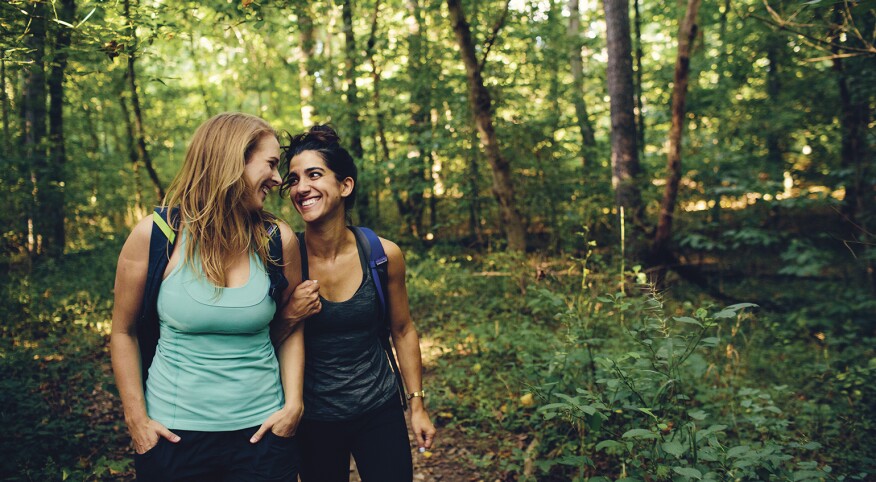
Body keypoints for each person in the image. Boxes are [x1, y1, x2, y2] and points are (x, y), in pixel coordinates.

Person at [110, 112, 316, 481]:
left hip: (263, 434)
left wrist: (294, 405)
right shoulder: (155, 236)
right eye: (270, 164)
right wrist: (136, 420)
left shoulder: (276, 238)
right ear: (233, 159)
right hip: (173, 437)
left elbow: (293, 324)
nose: (277, 178)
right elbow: (122, 332)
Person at [274, 125, 436, 481]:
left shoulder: (382, 254)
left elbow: (403, 329)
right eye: (294, 179)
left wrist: (417, 406)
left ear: (345, 185)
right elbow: (265, 338)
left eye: (314, 175)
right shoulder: (286, 258)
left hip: (378, 410)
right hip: (313, 419)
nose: (301, 188)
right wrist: (289, 313)